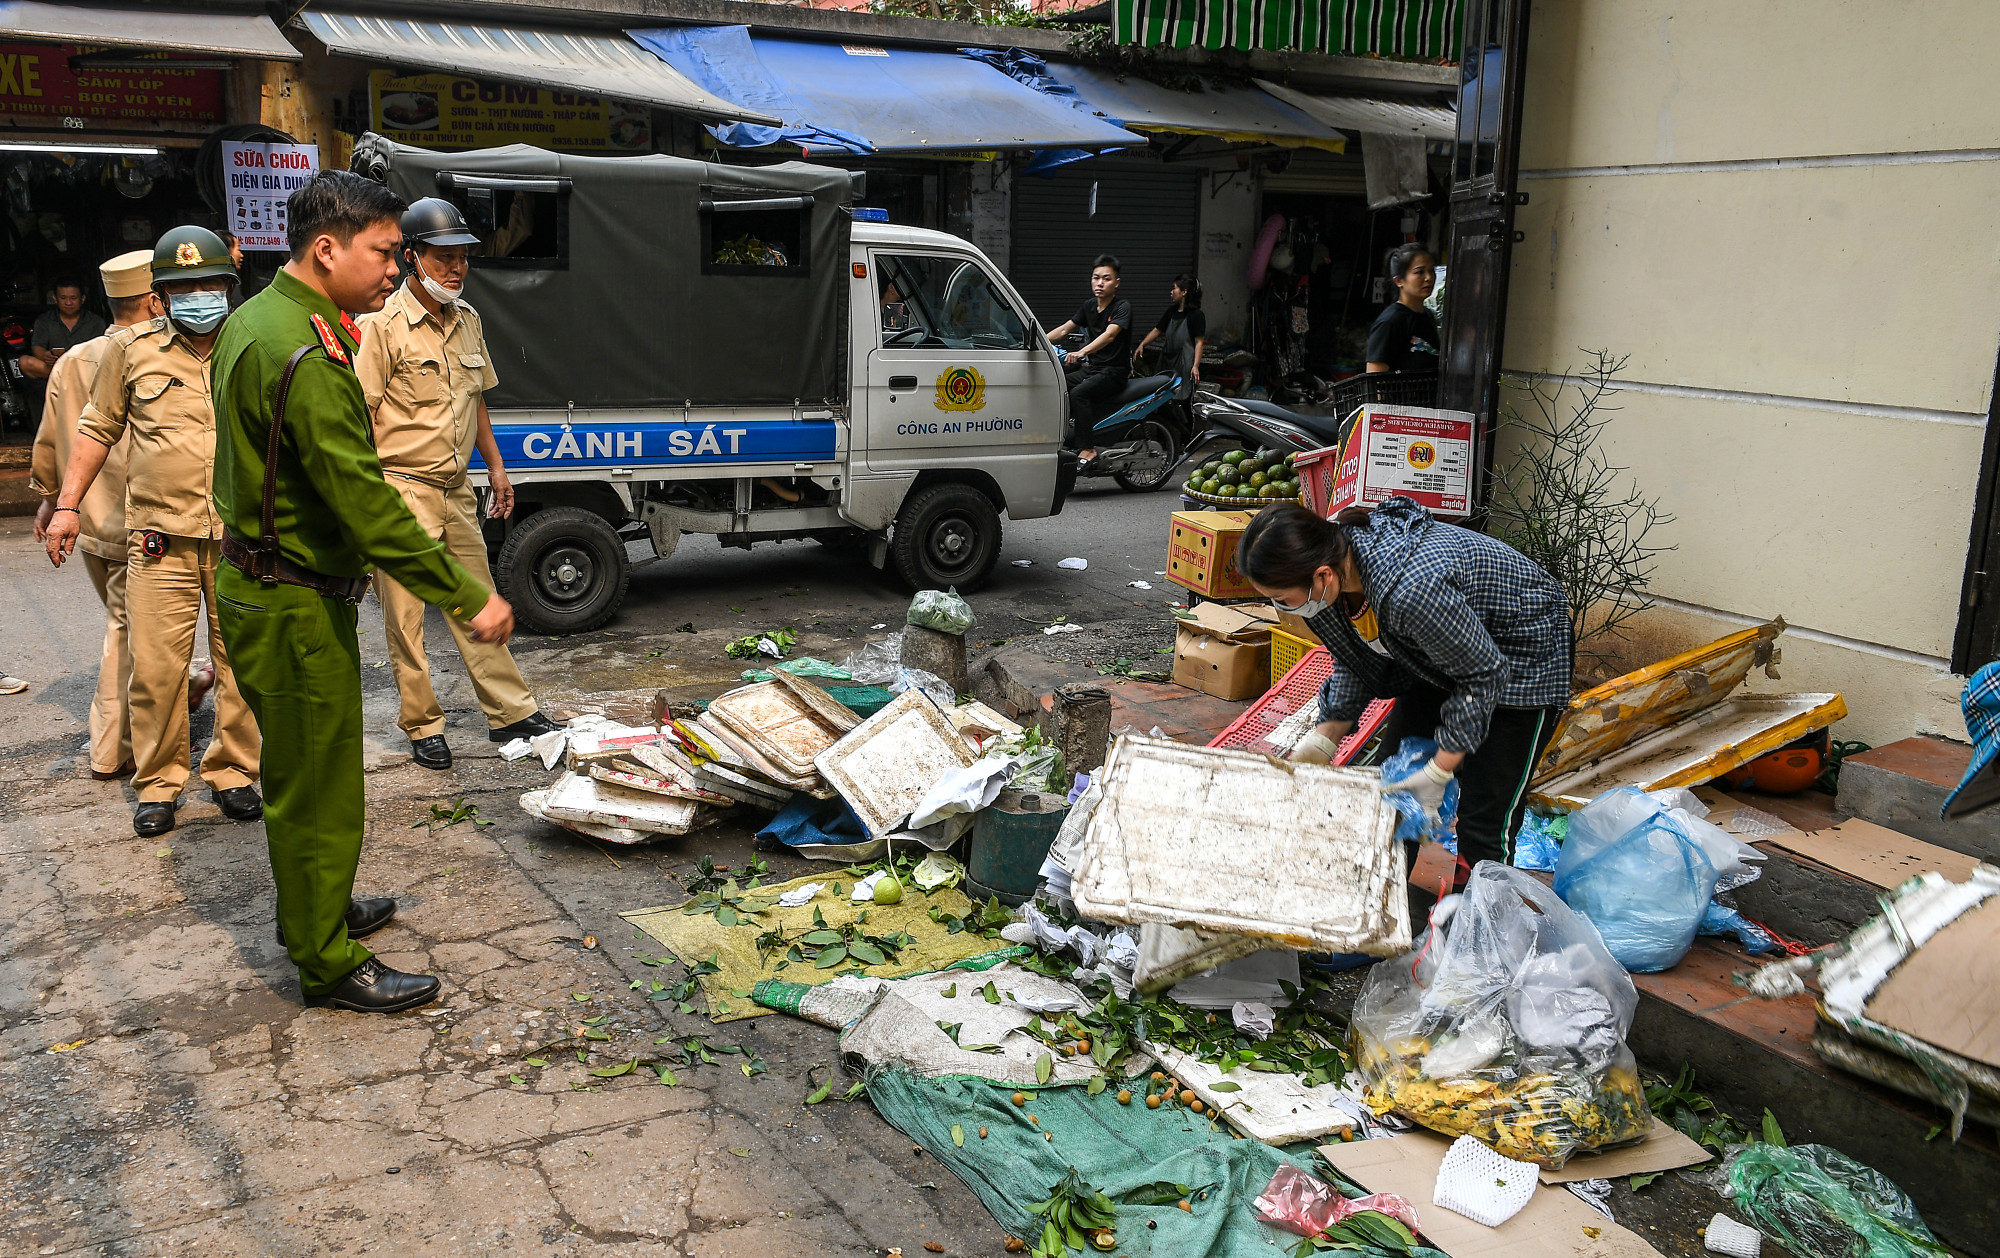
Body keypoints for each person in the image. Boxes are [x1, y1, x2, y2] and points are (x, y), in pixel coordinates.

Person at [211, 170, 513, 1014]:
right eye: (384, 252)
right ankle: (327, 962)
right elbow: (365, 502)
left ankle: (315, 910)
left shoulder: (259, 319)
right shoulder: (304, 350)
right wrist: (467, 595)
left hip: (267, 580)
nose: (394, 267)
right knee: (321, 785)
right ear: (326, 249)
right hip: (293, 597)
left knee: (302, 771)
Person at [44, 228, 263, 838]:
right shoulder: (131, 350)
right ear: (159, 297)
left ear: (229, 287)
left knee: (240, 662)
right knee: (157, 670)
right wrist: (66, 505)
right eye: (184, 288)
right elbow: (97, 427)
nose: (199, 296)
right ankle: (159, 784)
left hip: (238, 539)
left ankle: (233, 772)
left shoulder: (251, 343)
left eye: (210, 284)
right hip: (159, 539)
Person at [1236, 498, 1574, 887]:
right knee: (1393, 792)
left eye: (1282, 598)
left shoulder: (1411, 589)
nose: (1280, 607)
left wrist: (1439, 768)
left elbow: (1483, 673)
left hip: (1522, 659)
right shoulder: (1328, 581)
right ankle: (1375, 906)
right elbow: (1355, 659)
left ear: (1322, 575)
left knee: (1484, 818)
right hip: (1443, 657)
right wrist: (1324, 739)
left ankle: (1481, 917)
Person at [354, 197, 556, 770]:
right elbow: (360, 417)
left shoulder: (468, 320)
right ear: (412, 258)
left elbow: (477, 400)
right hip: (400, 489)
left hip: (456, 488)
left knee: (477, 600)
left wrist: (496, 466)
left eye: (463, 257)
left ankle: (510, 712)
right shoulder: (380, 326)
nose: (456, 268)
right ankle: (423, 725)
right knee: (406, 618)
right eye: (443, 257)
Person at [30, 250, 161, 780]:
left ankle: (137, 734)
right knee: (129, 633)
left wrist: (51, 499)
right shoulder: (152, 354)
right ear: (155, 300)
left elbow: (49, 440)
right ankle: (112, 748)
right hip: (143, 523)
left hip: (88, 520)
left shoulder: (72, 360)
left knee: (129, 626)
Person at [1042, 254, 1131, 463]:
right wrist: (1037, 341)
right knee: (1058, 384)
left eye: (1106, 278)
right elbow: (1064, 329)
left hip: (1114, 371)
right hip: (1093, 369)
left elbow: (1110, 335)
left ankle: (1088, 449)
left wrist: (1083, 352)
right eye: (1096, 277)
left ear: (1116, 283)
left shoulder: (1122, 307)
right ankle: (1064, 436)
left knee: (1079, 393)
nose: (1100, 283)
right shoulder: (1089, 306)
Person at [21, 277, 109, 417]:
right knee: (25, 362)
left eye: (73, 298)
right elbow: (37, 347)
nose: (68, 303)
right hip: (55, 369)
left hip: (84, 372)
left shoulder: (95, 322)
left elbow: (103, 351)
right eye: (63, 298)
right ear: (55, 298)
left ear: (82, 299)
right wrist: (45, 356)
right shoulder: (44, 320)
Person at [1365, 244, 1439, 374]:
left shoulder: (1427, 315)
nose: (1429, 277)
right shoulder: (1390, 322)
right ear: (1399, 281)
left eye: (1431, 270)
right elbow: (1374, 378)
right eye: (1419, 272)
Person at [1131, 273, 1206, 400]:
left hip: (1184, 362)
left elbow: (1199, 342)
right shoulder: (1171, 311)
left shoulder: (1196, 315)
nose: (1171, 292)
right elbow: (1157, 330)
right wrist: (1142, 344)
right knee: (1161, 394)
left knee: (1181, 396)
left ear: (1184, 292)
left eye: (1174, 288)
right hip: (1166, 358)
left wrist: (1195, 366)